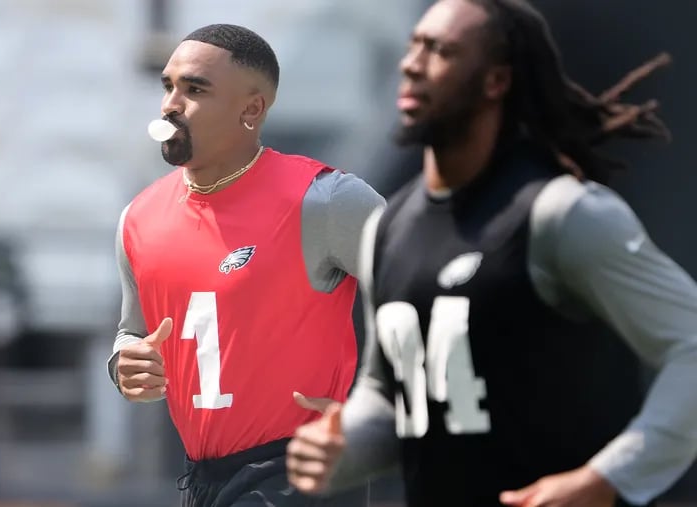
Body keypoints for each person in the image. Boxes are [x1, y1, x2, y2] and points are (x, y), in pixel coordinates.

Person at [285, 1, 697, 506]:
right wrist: (343, 443)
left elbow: (691, 348)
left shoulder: (562, 215)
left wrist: (605, 479)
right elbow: (396, 394)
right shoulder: (387, 229)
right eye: (415, 45)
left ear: (495, 81)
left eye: (442, 51)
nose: (412, 63)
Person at [106, 23, 383, 507]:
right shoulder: (139, 218)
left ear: (251, 109)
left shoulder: (324, 200)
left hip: (301, 468)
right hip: (201, 478)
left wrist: (376, 406)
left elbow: (426, 293)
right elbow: (133, 331)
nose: (171, 104)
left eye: (195, 89)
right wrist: (125, 364)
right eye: (168, 86)